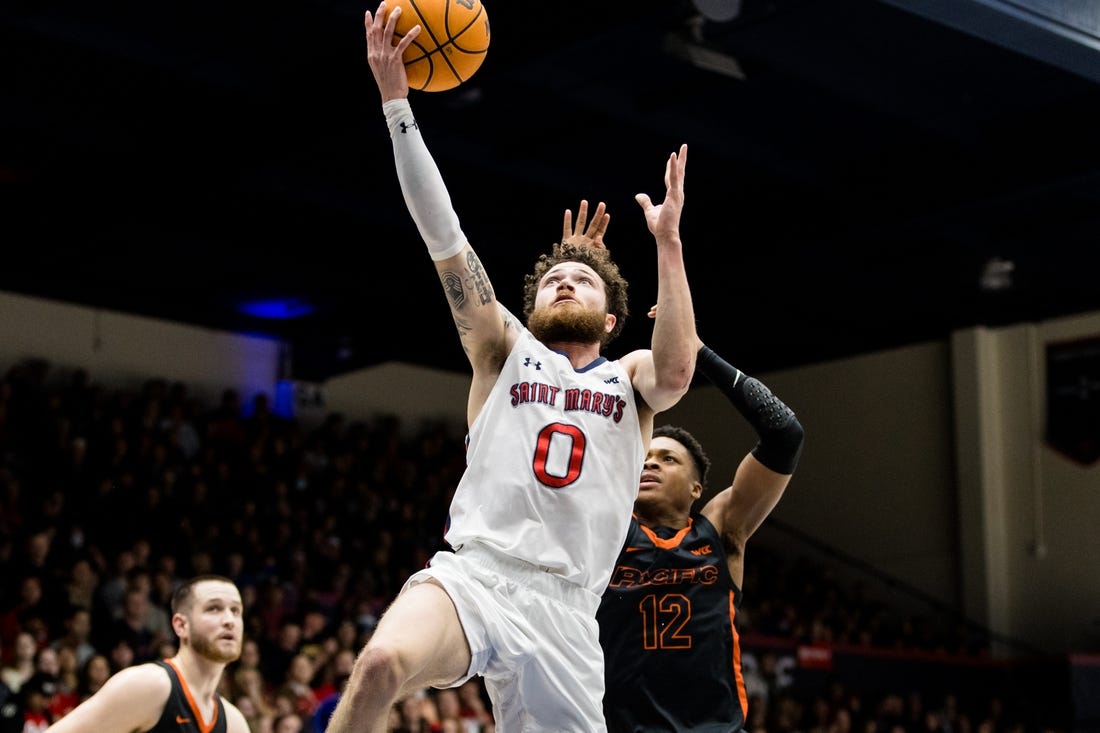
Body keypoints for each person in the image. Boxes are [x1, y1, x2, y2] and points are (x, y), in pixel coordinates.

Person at [327, 3, 698, 731]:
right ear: (529, 310)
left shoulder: (627, 380)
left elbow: (680, 369)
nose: (566, 281)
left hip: (565, 612)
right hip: (475, 574)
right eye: (554, 278)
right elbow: (443, 233)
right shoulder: (502, 347)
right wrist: (397, 104)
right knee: (377, 664)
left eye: (583, 280)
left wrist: (668, 242)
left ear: (614, 319)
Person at [597, 331, 805, 731]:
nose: (650, 464)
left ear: (697, 487)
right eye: (646, 456)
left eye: (668, 458)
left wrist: (700, 353)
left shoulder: (721, 532)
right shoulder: (607, 530)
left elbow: (785, 434)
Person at [44, 574, 249, 733]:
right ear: (181, 625)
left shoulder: (234, 723)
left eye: (236, 610)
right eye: (214, 608)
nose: (229, 619)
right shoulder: (149, 686)